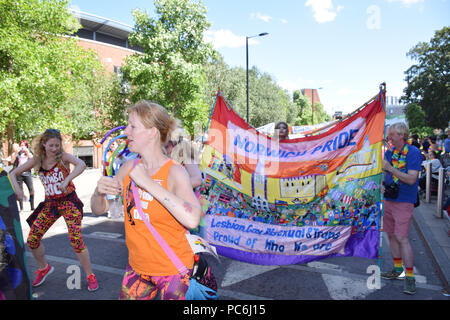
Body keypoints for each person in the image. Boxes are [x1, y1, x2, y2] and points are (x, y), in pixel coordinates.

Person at [90, 100, 202, 300]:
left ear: (152, 132)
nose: (126, 130)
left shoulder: (175, 172)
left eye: (133, 126)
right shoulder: (128, 168)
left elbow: (193, 218)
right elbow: (99, 209)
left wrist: (147, 183)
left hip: (173, 272)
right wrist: (98, 193)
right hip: (136, 271)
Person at [9, 129, 99, 291]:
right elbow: (13, 173)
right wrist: (17, 190)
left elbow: (82, 164)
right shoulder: (37, 160)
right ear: (43, 144)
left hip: (68, 201)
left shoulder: (63, 157)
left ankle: (90, 275)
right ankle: (43, 268)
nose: (54, 148)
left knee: (76, 239)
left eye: (57, 145)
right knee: (32, 240)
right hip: (50, 204)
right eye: (51, 145)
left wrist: (67, 180)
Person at [381, 122, 422, 295]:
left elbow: (412, 179)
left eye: (392, 134)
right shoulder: (391, 152)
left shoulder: (413, 152)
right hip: (389, 198)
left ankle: (410, 278)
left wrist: (390, 168)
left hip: (404, 201)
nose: (389, 137)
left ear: (401, 135)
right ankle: (398, 269)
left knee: (402, 238)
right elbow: (386, 173)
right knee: (390, 235)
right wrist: (383, 184)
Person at [14, 140, 35, 211]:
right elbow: (12, 161)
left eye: (24, 145)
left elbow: (33, 158)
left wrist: (27, 152)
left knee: (31, 189)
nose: (22, 147)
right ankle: (21, 208)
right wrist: (16, 152)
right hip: (19, 174)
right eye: (21, 145)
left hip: (27, 173)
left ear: (26, 146)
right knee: (20, 190)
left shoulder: (28, 152)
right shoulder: (18, 154)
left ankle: (32, 206)